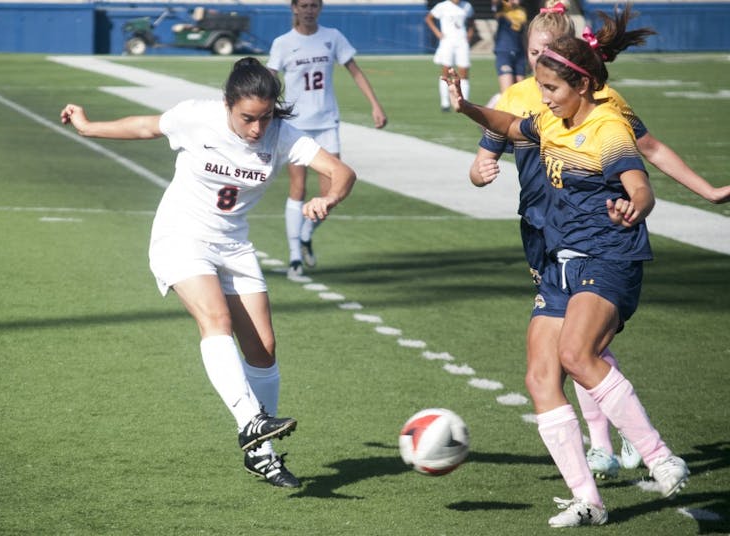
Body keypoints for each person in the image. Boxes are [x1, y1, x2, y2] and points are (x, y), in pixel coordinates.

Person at [60, 57, 357, 488]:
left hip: (233, 245)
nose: (257, 129)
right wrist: (88, 126)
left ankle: (261, 454)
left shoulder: (282, 135)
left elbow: (342, 172)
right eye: (248, 118)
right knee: (215, 320)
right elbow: (145, 126)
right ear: (228, 104)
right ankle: (251, 421)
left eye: (265, 117)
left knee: (263, 350)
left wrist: (328, 199)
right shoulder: (198, 117)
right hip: (181, 235)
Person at [447, 4, 690, 527]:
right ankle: (589, 500)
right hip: (560, 262)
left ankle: (659, 456)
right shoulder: (553, 120)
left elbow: (640, 185)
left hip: (610, 256)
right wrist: (467, 107)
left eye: (551, 88)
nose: (544, 97)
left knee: (578, 355)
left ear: (579, 85)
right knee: (540, 377)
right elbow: (509, 125)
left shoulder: (605, 127)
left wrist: (636, 207)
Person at [267, 0, 387, 279]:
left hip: (326, 123)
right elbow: (269, 80)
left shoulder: (332, 37)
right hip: (295, 126)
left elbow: (355, 71)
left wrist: (375, 105)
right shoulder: (283, 43)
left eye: (314, 5)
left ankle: (307, 233)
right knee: (297, 187)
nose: (309, 10)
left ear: (320, 9)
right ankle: (295, 256)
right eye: (304, 5)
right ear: (294, 8)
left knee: (333, 192)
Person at [425, 0, 475, 112]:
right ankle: (445, 103)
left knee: (464, 73)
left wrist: (470, 34)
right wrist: (438, 33)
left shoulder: (467, 6)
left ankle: (463, 102)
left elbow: (471, 21)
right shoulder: (442, 6)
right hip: (447, 42)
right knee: (446, 72)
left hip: (462, 42)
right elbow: (429, 18)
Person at [492, 0, 528, 93]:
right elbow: (495, 3)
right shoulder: (502, 7)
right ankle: (490, 107)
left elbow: (524, 34)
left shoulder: (522, 11)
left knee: (521, 92)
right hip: (504, 51)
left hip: (520, 53)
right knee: (507, 92)